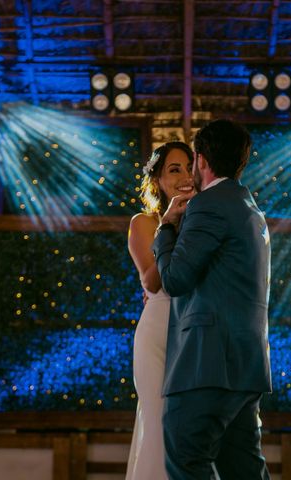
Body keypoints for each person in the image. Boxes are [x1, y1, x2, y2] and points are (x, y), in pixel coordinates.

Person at [153, 119, 272, 480]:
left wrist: (165, 231)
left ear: (201, 160)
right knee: (245, 471)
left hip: (206, 364)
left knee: (187, 462)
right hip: (246, 365)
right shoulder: (250, 208)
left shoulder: (208, 205)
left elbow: (174, 279)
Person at [125, 142, 194, 480]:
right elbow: (152, 282)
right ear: (156, 180)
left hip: (195, 329)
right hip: (158, 329)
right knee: (157, 420)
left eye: (189, 167)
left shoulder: (206, 222)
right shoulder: (144, 223)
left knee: (192, 425)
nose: (185, 176)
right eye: (174, 169)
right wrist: (169, 224)